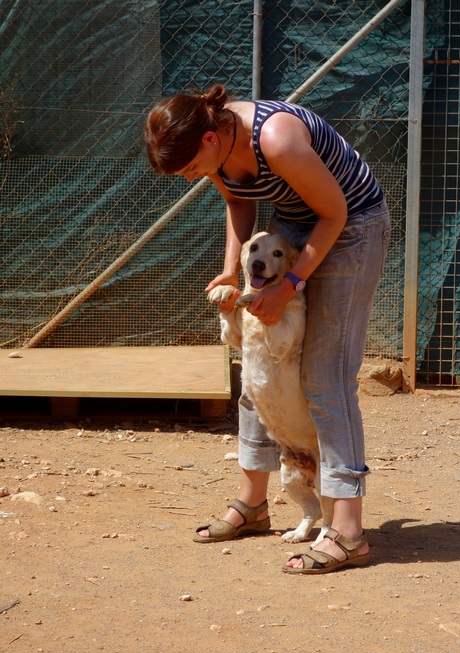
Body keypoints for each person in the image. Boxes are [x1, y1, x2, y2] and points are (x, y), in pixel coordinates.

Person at [145, 84, 390, 574]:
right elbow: (239, 203)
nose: (192, 177)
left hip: (349, 227)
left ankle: (348, 531)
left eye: (191, 167)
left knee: (325, 376)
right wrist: (231, 271)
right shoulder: (219, 151)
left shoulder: (275, 139)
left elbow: (335, 211)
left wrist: (292, 283)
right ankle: (254, 504)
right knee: (256, 365)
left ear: (211, 138)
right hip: (293, 225)